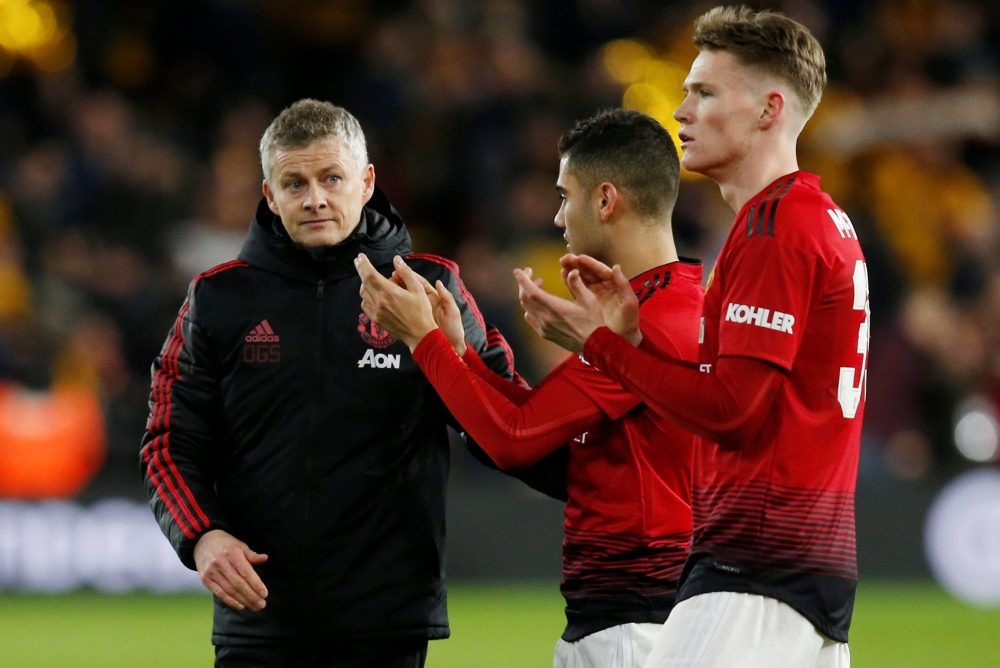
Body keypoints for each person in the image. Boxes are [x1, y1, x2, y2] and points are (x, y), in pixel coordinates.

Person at [140, 99, 555, 668]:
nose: (315, 198)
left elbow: (505, 433)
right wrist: (202, 536)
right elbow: (169, 442)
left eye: (332, 178)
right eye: (295, 183)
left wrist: (455, 356)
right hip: (259, 618)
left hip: (387, 622)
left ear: (366, 183)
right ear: (269, 195)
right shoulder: (218, 299)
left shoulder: (429, 288)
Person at [515, 7, 864, 668]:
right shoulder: (818, 217)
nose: (681, 111)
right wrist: (634, 345)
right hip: (802, 573)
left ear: (769, 109)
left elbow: (731, 412)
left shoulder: (774, 227)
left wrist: (601, 347)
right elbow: (738, 398)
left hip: (756, 572)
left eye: (704, 92)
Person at [355, 109, 704, 668]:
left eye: (565, 196)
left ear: (606, 200)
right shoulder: (663, 304)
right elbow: (538, 421)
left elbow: (514, 438)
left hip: (634, 621)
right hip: (632, 613)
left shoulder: (649, 323)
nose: (559, 216)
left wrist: (422, 339)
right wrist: (461, 355)